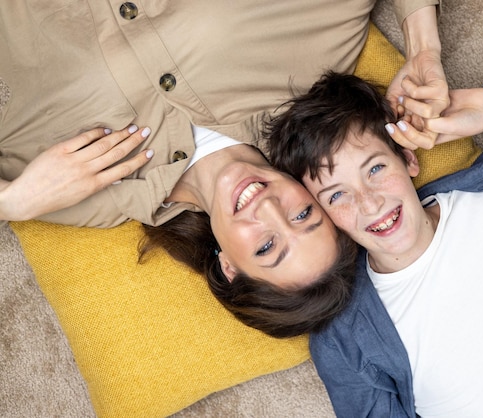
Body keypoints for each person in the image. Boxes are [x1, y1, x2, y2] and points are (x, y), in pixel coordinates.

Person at [0, 1, 444, 336]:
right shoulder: (306, 61)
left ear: (229, 266)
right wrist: (424, 48)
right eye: (304, 216)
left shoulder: (89, 194)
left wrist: (13, 200)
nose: (269, 208)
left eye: (268, 246)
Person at [266, 66, 483, 416]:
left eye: (375, 169)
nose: (370, 202)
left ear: (407, 157)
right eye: (336, 196)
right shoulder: (343, 337)